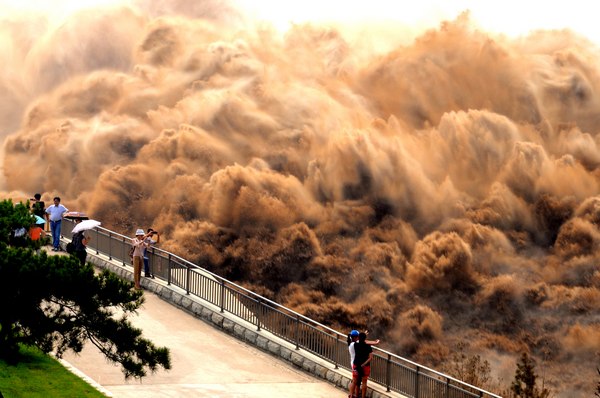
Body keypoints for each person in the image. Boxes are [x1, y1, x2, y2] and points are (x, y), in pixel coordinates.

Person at [347, 330, 379, 398]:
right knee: (356, 381)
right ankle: (353, 395)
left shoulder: (353, 344)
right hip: (359, 364)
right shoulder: (356, 344)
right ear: (356, 337)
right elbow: (365, 342)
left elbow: (362, 340)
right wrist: (376, 342)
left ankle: (354, 395)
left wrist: (364, 334)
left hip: (355, 363)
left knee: (356, 381)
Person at [353, 332, 373, 398]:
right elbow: (370, 358)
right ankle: (363, 397)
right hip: (365, 366)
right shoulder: (368, 347)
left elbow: (358, 341)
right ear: (365, 339)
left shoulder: (355, 345)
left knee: (356, 381)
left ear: (358, 338)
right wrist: (364, 364)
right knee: (364, 382)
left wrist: (363, 334)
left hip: (356, 365)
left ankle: (356, 395)